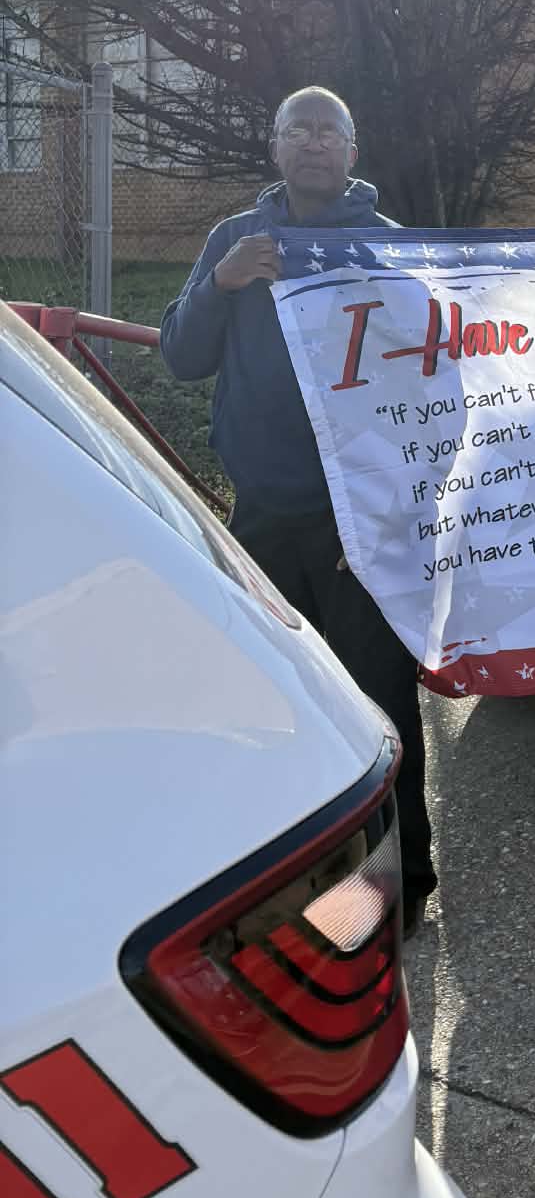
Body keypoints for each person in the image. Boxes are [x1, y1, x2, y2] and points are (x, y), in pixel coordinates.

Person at [160, 86, 437, 934]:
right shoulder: (234, 241)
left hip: (358, 527)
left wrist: (384, 515)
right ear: (275, 147)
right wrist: (220, 285)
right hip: (261, 522)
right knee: (281, 704)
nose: (314, 142)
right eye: (298, 130)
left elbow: (425, 391)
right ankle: (303, 877)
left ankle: (401, 882)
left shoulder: (385, 248)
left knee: (378, 705)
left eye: (329, 131)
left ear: (353, 151)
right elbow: (180, 358)